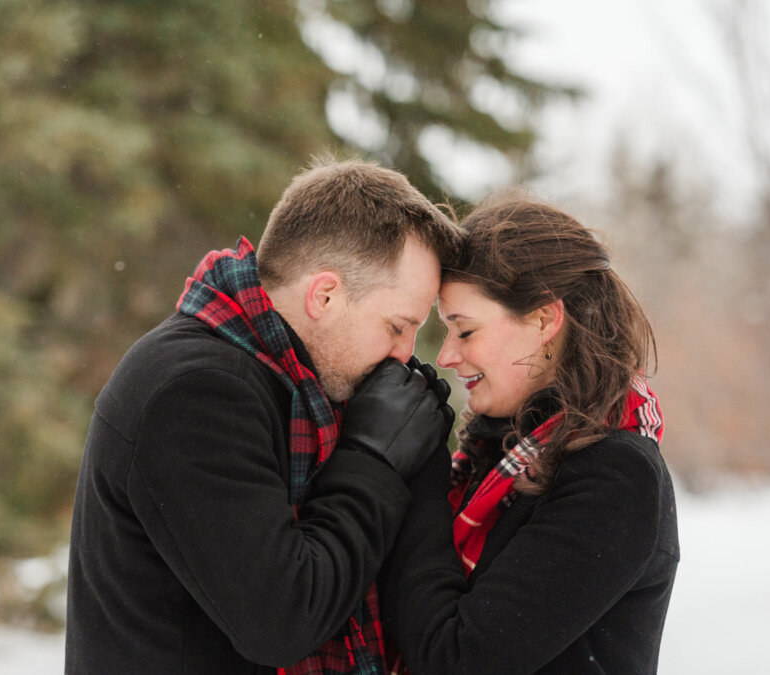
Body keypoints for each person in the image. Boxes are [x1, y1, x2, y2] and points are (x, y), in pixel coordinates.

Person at [65, 157, 461, 674]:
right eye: (397, 325)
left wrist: (415, 455)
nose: (406, 354)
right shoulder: (194, 393)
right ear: (324, 295)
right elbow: (282, 620)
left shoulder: (297, 390)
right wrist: (373, 461)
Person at [379, 196, 679, 674]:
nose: (448, 357)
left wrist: (419, 472)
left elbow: (457, 659)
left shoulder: (615, 475)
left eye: (465, 331)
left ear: (544, 319)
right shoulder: (496, 456)